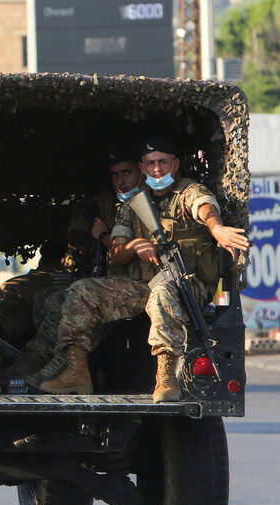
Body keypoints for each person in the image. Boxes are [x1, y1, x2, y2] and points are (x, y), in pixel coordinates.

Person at [40, 138, 249, 402]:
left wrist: (216, 229)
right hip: (143, 287)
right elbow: (116, 251)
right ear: (143, 167)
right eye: (151, 163)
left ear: (175, 165)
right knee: (83, 290)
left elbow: (205, 207)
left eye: (163, 162)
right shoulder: (132, 204)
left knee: (162, 292)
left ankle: (166, 377)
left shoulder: (189, 192)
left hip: (187, 285)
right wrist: (135, 247)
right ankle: (76, 372)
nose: (157, 169)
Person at [15, 147, 144, 388]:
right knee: (53, 299)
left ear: (141, 170)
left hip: (137, 286)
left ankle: (56, 366)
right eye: (115, 175)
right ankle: (49, 363)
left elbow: (120, 255)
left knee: (75, 300)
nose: (121, 181)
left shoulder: (149, 203)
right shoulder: (116, 205)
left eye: (126, 173)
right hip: (113, 284)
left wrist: (103, 234)